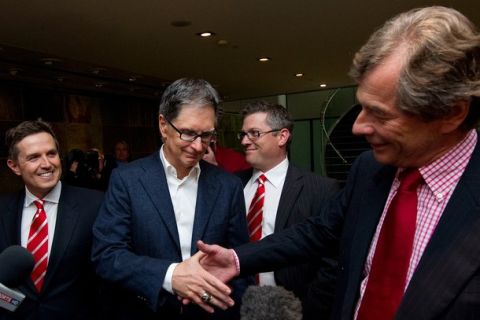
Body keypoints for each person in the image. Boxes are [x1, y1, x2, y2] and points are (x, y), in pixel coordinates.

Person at [195, 6, 480, 320]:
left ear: (451, 113)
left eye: (381, 114)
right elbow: (316, 233)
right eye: (362, 107)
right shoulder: (369, 170)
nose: (358, 127)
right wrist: (236, 258)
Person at [91, 78, 251, 319]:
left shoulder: (228, 186)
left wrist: (221, 302)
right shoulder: (127, 180)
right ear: (163, 125)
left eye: (206, 135)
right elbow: (107, 255)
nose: (198, 146)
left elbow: (240, 263)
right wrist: (170, 275)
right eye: (187, 133)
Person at [235, 101, 339, 319]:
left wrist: (309, 310)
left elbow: (331, 261)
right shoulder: (231, 185)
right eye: (243, 134)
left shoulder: (320, 189)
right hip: (235, 305)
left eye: (254, 133)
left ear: (282, 136)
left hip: (292, 309)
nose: (245, 141)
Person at [0, 120, 104, 320]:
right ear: (14, 166)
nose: (46, 164)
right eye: (34, 157)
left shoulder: (95, 204)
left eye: (51, 154)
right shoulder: (3, 209)